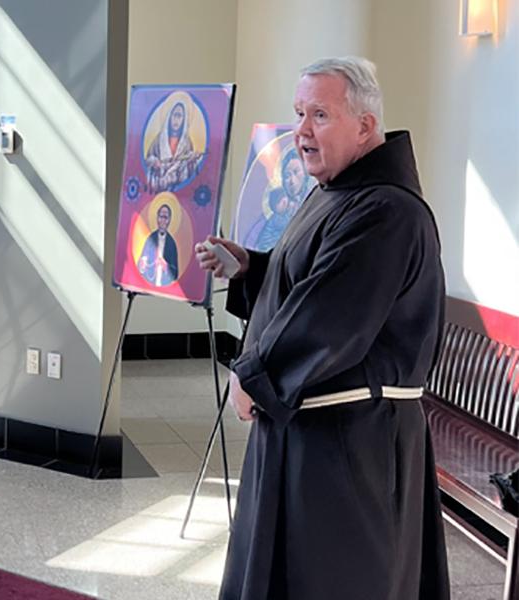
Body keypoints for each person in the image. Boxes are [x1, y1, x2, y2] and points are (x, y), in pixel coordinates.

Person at [196, 56, 450, 599]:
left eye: (320, 115)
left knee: (335, 579)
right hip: (313, 428)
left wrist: (253, 373)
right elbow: (310, 279)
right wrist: (251, 268)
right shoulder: (338, 193)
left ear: (365, 125)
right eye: (298, 114)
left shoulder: (386, 210)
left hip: (352, 443)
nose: (302, 131)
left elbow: (332, 315)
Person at [245, 148, 311, 251]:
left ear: (306, 173)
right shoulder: (275, 215)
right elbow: (254, 243)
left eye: (296, 172)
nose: (292, 181)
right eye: (287, 175)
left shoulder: (314, 204)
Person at [145, 101, 203, 192]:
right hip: (160, 185)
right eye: (174, 115)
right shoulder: (159, 139)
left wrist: (193, 158)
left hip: (179, 188)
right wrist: (155, 162)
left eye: (179, 116)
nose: (176, 120)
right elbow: (148, 159)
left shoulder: (187, 142)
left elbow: (189, 166)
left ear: (184, 119)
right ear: (170, 117)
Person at [138, 203, 179, 286]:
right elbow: (140, 266)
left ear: (169, 220)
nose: (163, 220)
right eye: (161, 217)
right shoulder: (150, 239)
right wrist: (142, 265)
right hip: (149, 284)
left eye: (165, 217)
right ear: (157, 218)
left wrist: (166, 267)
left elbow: (175, 274)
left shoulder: (171, 243)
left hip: (164, 288)